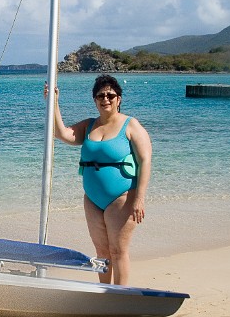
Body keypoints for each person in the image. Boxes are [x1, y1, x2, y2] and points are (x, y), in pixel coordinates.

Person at [45, 75, 152, 285]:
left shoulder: (130, 125)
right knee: (102, 252)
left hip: (121, 197)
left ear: (119, 99)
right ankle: (105, 293)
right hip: (93, 199)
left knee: (118, 250)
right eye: (100, 95)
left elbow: (145, 160)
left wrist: (139, 198)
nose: (106, 99)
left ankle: (120, 298)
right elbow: (61, 133)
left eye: (110, 95)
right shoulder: (89, 125)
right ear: (95, 100)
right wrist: (53, 103)